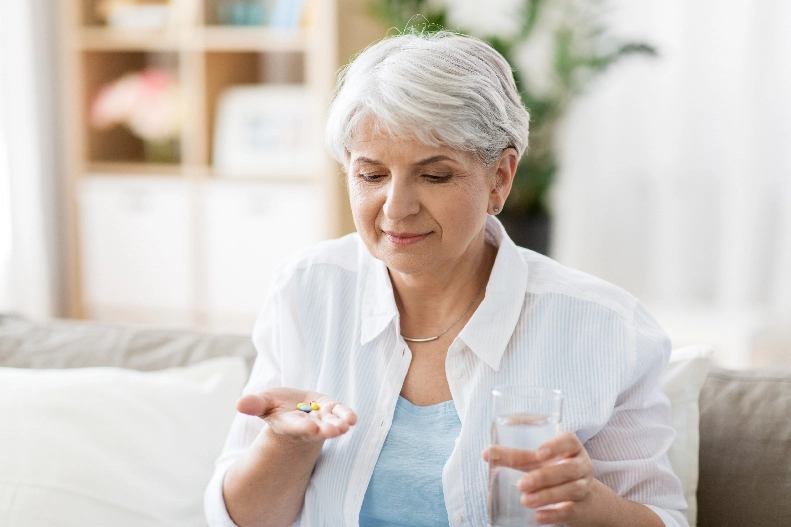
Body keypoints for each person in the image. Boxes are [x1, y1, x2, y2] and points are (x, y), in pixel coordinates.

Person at [205, 31, 688, 527]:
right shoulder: (308, 289)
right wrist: (285, 443)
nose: (396, 208)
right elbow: (240, 519)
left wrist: (591, 506)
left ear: (500, 177)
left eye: (434, 176)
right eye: (371, 176)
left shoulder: (605, 327)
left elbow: (666, 518)